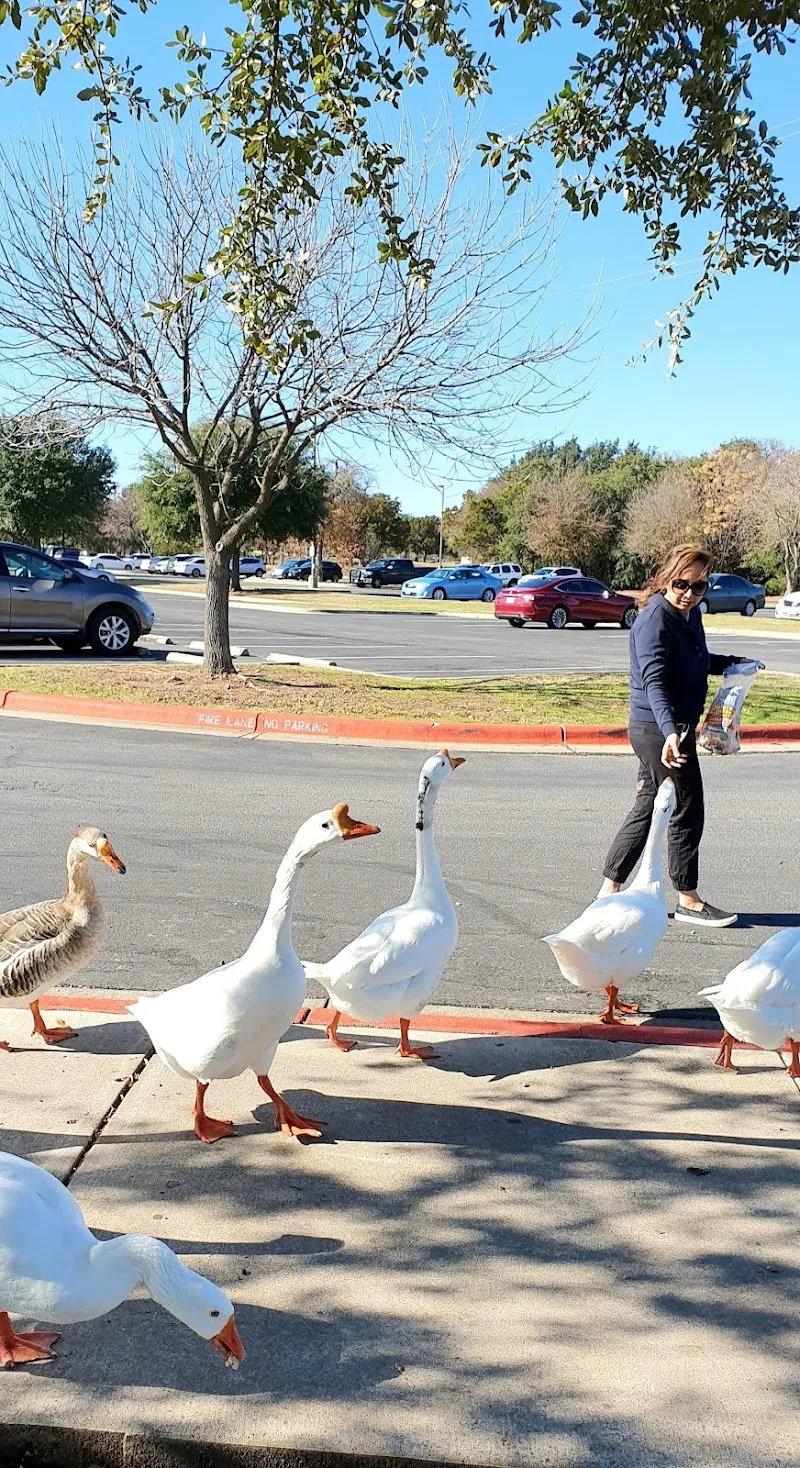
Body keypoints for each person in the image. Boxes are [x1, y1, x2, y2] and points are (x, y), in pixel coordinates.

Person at [600, 543, 756, 927]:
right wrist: (670, 733)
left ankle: (608, 892)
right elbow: (654, 681)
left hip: (668, 729)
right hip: (658, 730)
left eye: (699, 586)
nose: (690, 593)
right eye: (682, 583)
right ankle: (688, 898)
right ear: (668, 577)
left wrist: (735, 664)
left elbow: (696, 662)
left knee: (648, 806)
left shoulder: (690, 615)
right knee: (688, 806)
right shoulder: (655, 619)